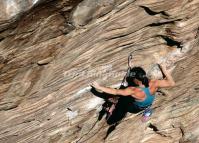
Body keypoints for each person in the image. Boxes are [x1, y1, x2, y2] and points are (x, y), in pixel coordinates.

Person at [91, 64, 175, 113]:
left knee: (120, 100)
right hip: (148, 103)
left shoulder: (133, 90)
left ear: (136, 80)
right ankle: (147, 111)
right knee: (126, 94)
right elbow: (172, 83)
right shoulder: (154, 83)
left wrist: (98, 87)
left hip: (135, 108)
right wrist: (163, 69)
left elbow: (115, 91)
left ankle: (114, 107)